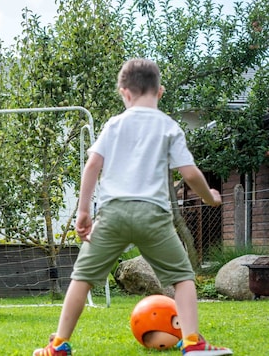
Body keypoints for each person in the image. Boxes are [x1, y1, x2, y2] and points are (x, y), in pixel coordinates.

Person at [33, 58, 232, 356]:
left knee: (82, 277)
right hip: (154, 216)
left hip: (112, 214)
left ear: (124, 92)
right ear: (160, 91)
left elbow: (92, 166)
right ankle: (193, 343)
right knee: (182, 278)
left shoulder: (114, 124)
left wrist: (83, 211)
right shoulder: (169, 126)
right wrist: (209, 198)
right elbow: (190, 173)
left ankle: (59, 344)